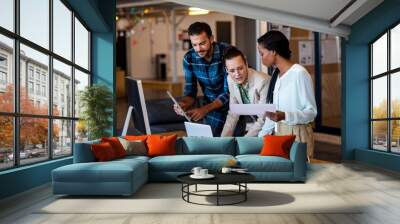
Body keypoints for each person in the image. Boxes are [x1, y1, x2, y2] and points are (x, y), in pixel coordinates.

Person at [257, 30, 317, 160]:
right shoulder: (276, 75)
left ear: (273, 51)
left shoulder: (299, 73)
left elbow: (311, 112)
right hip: (279, 135)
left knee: (300, 177)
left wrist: (285, 115)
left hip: (298, 135)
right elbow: (272, 114)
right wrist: (260, 139)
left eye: (262, 53)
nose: (260, 58)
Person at [174, 22, 230, 136]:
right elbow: (190, 91)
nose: (198, 49)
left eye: (202, 43)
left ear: (211, 39)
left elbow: (229, 92)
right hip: (209, 109)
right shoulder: (189, 58)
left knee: (227, 144)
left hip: (232, 108)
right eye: (194, 45)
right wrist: (183, 104)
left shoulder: (227, 53)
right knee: (208, 145)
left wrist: (205, 109)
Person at [221, 46, 270, 137]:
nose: (237, 74)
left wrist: (245, 139)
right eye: (232, 70)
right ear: (227, 70)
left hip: (272, 126)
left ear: (246, 64)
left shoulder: (263, 81)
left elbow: (263, 118)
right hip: (257, 125)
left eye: (240, 68)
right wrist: (223, 140)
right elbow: (233, 113)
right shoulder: (230, 79)